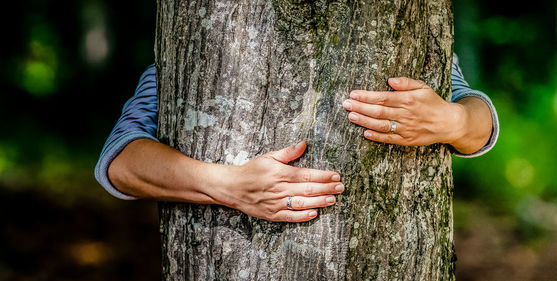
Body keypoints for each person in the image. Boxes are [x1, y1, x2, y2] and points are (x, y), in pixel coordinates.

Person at [94, 55, 499, 223]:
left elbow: (476, 115)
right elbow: (120, 159)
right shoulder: (204, 25)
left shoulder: (400, 18)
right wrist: (226, 185)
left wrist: (454, 120)